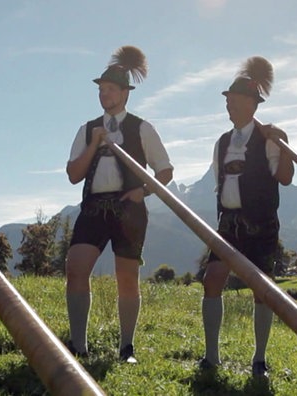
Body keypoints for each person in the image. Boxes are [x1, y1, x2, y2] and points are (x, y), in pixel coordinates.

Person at [65, 46, 173, 363]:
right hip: (94, 207)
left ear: (125, 93)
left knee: (126, 277)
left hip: (129, 209)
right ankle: (78, 346)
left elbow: (165, 172)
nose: (104, 94)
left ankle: (126, 347)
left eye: (110, 89)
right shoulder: (87, 129)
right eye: (101, 89)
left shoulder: (142, 128)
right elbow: (73, 174)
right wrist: (95, 142)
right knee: (75, 267)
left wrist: (142, 191)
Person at [198, 56, 294, 378]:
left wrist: (283, 145)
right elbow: (220, 184)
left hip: (261, 225)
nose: (229, 105)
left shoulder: (269, 138)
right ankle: (211, 357)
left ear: (252, 103)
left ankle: (259, 360)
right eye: (228, 100)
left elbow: (285, 177)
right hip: (228, 225)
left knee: (262, 291)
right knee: (212, 282)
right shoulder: (222, 142)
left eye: (235, 100)